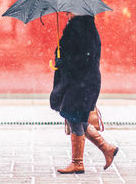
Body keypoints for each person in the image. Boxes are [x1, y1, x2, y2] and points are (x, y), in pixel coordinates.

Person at [50, 12, 118, 174]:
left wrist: (63, 60)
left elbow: (83, 58)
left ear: (78, 12)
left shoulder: (81, 29)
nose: (66, 14)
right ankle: (106, 148)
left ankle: (78, 163)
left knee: (73, 115)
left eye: (69, 11)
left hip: (81, 82)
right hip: (80, 81)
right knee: (75, 116)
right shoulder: (82, 28)